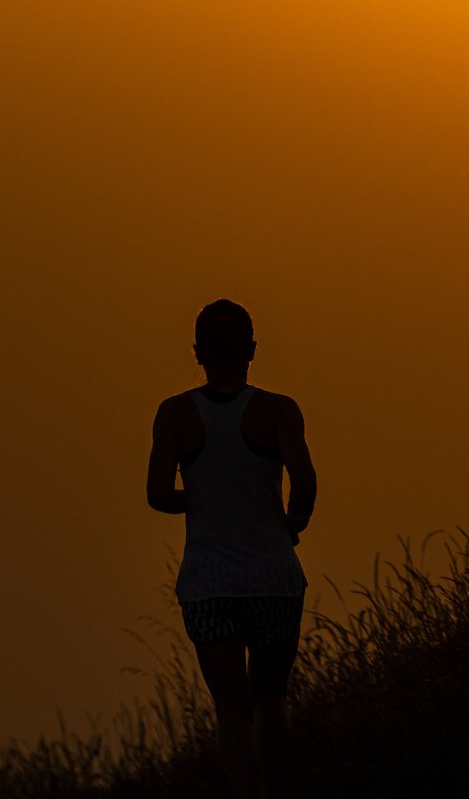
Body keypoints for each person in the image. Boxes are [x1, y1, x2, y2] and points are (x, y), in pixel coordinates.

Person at [145, 299, 318, 799]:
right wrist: (293, 523)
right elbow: (304, 482)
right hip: (273, 576)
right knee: (272, 698)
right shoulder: (280, 411)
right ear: (252, 350)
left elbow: (157, 496)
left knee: (231, 709)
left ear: (197, 353)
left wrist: (204, 497)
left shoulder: (175, 414)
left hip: (209, 583)